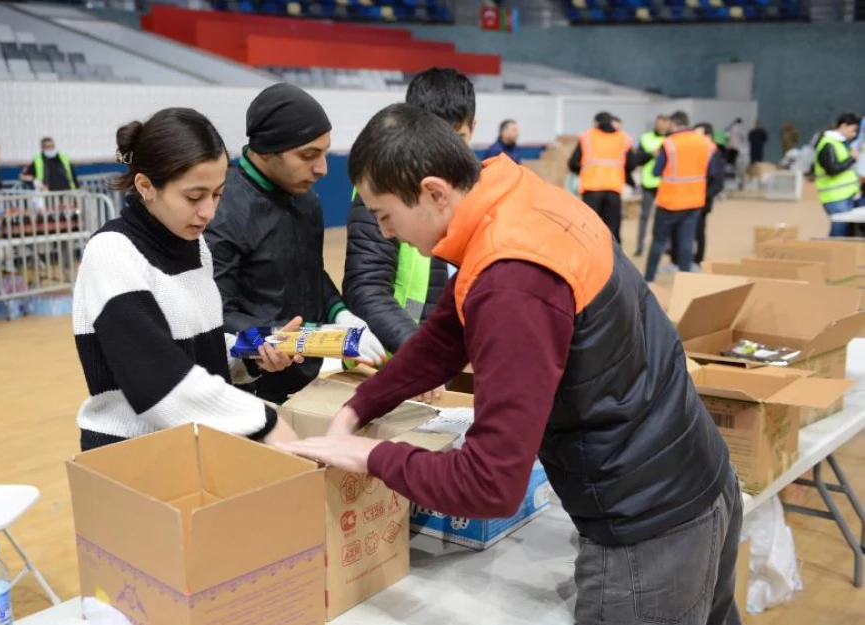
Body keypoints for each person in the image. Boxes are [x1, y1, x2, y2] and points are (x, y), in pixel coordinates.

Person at [280, 103, 740, 625]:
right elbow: (443, 339)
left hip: (650, 527)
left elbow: (489, 484)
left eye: (385, 215)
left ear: (434, 191)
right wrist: (358, 408)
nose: (384, 234)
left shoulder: (512, 282)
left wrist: (371, 457)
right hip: (691, 472)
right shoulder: (513, 200)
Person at [71, 107, 301, 451]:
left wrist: (251, 351)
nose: (209, 211)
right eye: (194, 196)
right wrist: (264, 419)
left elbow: (194, 350)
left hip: (192, 443)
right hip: (132, 454)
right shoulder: (112, 252)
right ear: (146, 186)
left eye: (217, 194)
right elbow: (157, 380)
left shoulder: (194, 246)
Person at [206, 83, 386, 404]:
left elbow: (312, 273)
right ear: (265, 151)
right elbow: (217, 313)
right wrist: (309, 339)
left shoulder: (307, 200)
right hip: (248, 390)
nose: (322, 169)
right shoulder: (223, 210)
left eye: (325, 153)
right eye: (308, 155)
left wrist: (342, 313)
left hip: (305, 380)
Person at [344, 67, 469, 400]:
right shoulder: (381, 194)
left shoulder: (468, 191)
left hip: (443, 362)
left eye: (456, 141)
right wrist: (418, 351)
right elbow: (366, 287)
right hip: (395, 364)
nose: (444, 157)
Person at [644, 111, 722, 282]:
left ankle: (649, 278)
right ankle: (684, 279)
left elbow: (656, 171)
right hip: (694, 201)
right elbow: (711, 172)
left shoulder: (669, 143)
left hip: (669, 202)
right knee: (687, 241)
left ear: (673, 124)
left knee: (658, 241)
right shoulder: (706, 144)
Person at [567, 111, 636, 243]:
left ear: (596, 123)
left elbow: (573, 163)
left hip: (591, 189)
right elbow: (631, 164)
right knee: (612, 231)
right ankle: (613, 261)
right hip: (613, 190)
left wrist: (582, 171)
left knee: (589, 229)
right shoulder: (623, 138)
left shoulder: (587, 136)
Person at [814, 113, 861, 237]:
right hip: (835, 197)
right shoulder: (828, 144)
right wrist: (852, 159)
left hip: (846, 196)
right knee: (839, 232)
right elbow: (832, 169)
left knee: (845, 232)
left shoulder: (841, 144)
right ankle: (832, 254)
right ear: (844, 126)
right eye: (853, 130)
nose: (854, 134)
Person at [634, 114, 671, 257]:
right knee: (644, 216)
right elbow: (637, 159)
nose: (660, 126)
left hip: (666, 183)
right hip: (649, 183)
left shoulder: (671, 139)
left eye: (663, 123)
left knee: (665, 217)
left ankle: (666, 247)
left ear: (668, 124)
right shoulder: (645, 138)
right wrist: (652, 154)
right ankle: (640, 247)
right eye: (658, 123)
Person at [692, 122, 727, 267]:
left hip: (703, 199)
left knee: (699, 230)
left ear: (707, 135)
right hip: (691, 198)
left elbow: (718, 182)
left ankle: (698, 259)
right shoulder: (698, 151)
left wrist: (705, 195)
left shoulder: (714, 153)